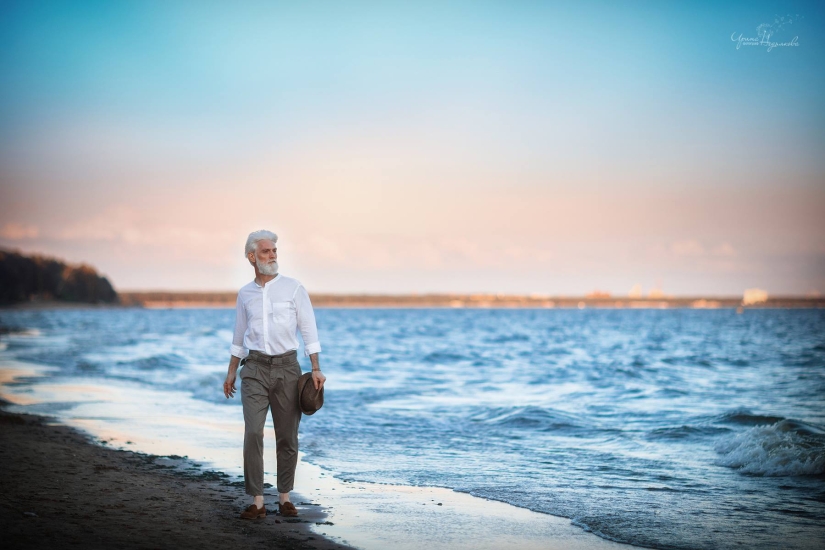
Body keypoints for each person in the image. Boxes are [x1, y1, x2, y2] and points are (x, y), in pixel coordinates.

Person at [223, 229, 326, 519]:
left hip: (287, 369)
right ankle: (257, 501)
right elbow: (238, 336)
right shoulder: (245, 294)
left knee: (287, 436)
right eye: (266, 251)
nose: (272, 256)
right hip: (254, 368)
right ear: (252, 257)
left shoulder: (294, 288)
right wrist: (231, 372)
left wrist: (316, 368)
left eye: (275, 251)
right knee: (253, 432)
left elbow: (309, 331)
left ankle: (284, 497)